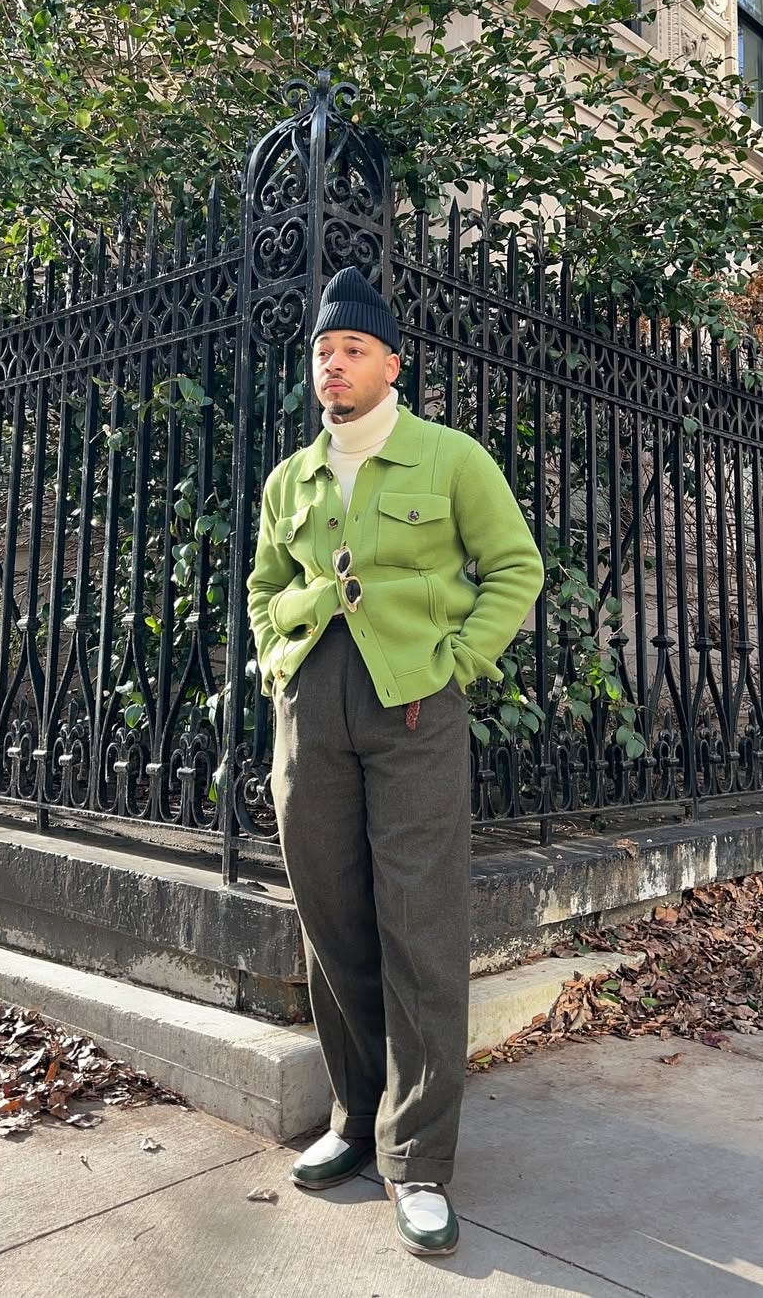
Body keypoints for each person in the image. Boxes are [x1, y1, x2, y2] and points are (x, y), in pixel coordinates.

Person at [247, 267, 544, 1258]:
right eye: (323, 354)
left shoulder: (449, 458)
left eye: (353, 350)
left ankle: (417, 1160)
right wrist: (275, 665)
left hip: (415, 705)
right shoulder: (290, 477)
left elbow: (515, 568)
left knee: (418, 926)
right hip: (310, 707)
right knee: (330, 919)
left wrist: (459, 663)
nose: (334, 365)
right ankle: (353, 1116)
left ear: (391, 363)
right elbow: (263, 585)